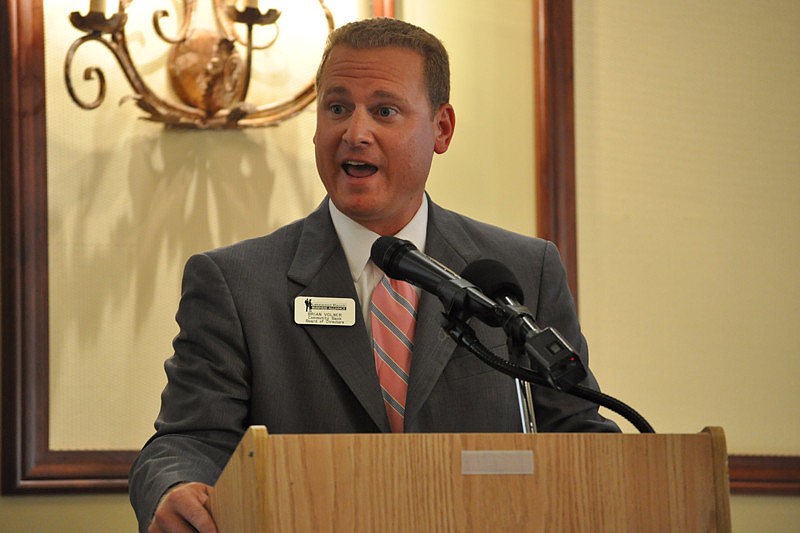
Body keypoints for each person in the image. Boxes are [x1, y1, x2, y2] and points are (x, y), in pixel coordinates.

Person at [129, 17, 619, 533]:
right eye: (338, 108)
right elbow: (189, 440)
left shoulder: (521, 272)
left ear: (442, 129)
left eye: (384, 111)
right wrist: (172, 484)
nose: (354, 133)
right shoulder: (236, 283)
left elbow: (577, 431)